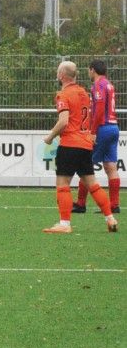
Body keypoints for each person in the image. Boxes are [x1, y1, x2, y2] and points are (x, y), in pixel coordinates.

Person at [43, 61, 117, 234]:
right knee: (92, 184)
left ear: (61, 76)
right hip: (85, 144)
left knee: (63, 184)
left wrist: (50, 137)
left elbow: (64, 121)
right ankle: (110, 218)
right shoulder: (84, 93)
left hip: (70, 144)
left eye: (57, 72)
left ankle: (64, 224)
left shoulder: (63, 94)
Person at [74, 60, 119, 214]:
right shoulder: (109, 84)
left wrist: (93, 131)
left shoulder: (98, 85)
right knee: (110, 166)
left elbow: (99, 109)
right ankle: (114, 205)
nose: (88, 73)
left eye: (89, 70)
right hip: (113, 127)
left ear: (92, 70)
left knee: (85, 164)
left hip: (102, 128)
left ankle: (81, 203)